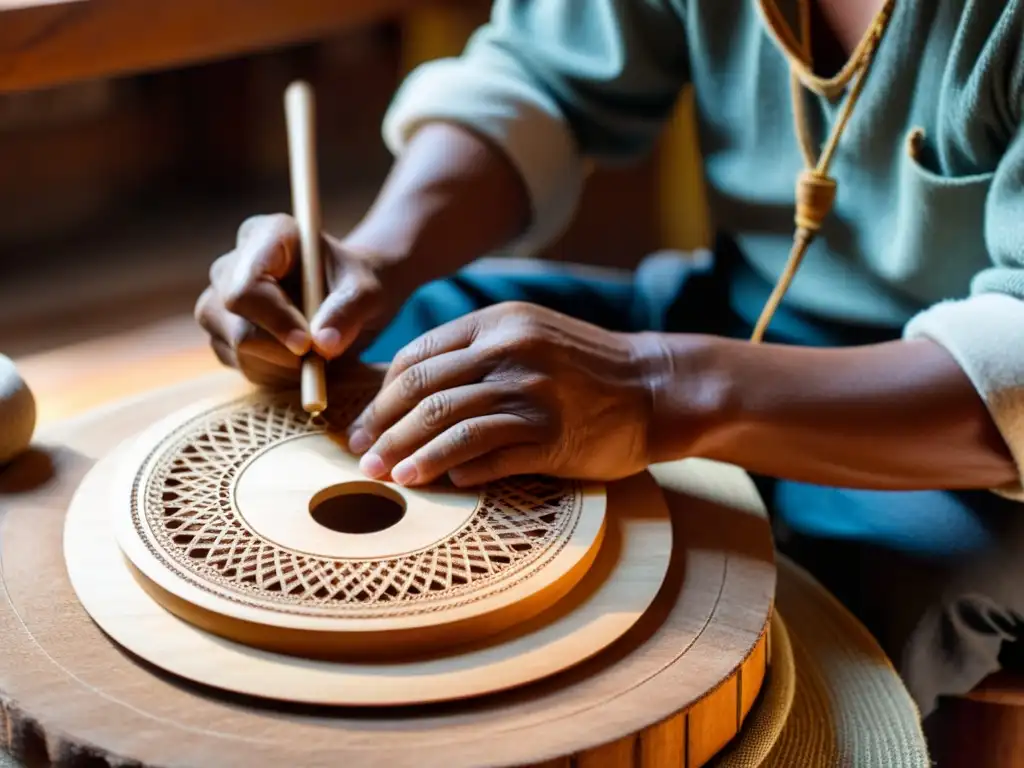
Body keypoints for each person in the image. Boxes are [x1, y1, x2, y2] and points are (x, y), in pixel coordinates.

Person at [195, 0, 1024, 719]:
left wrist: (657, 389)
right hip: (733, 322)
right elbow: (540, 78)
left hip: (950, 440)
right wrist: (371, 263)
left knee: (845, 607)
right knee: (390, 347)